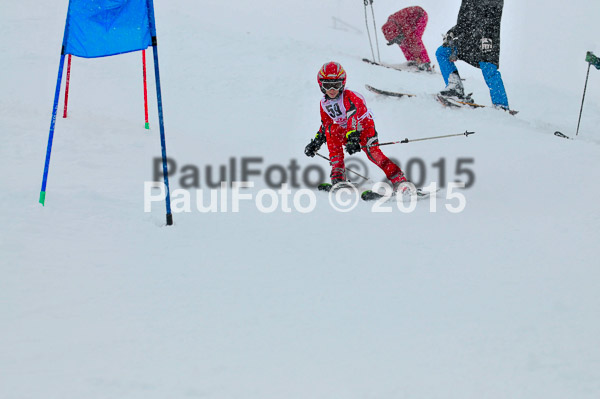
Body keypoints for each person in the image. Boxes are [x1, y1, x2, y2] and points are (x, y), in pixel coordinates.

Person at [304, 62, 408, 192]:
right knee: (332, 131)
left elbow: (353, 118)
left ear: (342, 83)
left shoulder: (350, 97)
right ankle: (338, 174)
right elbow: (326, 125)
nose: (332, 89)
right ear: (321, 85)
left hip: (364, 129)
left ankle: (399, 180)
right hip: (348, 132)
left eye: (336, 85)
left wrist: (353, 137)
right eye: (327, 85)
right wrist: (316, 142)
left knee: (373, 153)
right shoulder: (324, 103)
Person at [436, 0, 509, 110]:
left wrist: (486, 36)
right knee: (442, 52)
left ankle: (501, 105)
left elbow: (493, 17)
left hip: (486, 38)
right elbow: (464, 21)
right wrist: (452, 32)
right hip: (468, 40)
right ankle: (455, 89)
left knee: (489, 68)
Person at [381, 6, 432, 71]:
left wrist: (417, 57)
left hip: (421, 16)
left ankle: (425, 63)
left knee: (415, 38)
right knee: (402, 42)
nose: (397, 41)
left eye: (397, 38)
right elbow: (394, 35)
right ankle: (412, 61)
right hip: (409, 22)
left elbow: (413, 41)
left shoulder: (404, 26)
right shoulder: (390, 27)